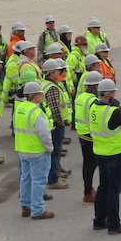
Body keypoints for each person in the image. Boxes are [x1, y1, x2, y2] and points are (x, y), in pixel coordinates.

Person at [88, 79, 121, 234]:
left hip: (100, 152)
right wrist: (117, 106)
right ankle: (114, 224)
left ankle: (99, 220)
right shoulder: (113, 111)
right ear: (110, 94)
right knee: (114, 190)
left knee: (103, 187)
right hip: (115, 153)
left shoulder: (93, 107)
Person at [14, 81, 55, 220]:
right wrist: (50, 148)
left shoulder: (20, 108)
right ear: (35, 96)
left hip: (22, 149)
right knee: (38, 180)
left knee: (25, 178)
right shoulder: (36, 111)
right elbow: (44, 133)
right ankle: (37, 210)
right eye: (40, 94)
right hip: (37, 151)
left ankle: (25, 206)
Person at [42, 59, 71, 189]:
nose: (59, 72)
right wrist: (61, 122)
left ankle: (55, 174)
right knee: (54, 151)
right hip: (55, 124)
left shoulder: (45, 84)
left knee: (54, 152)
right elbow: (55, 108)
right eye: (57, 71)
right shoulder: (52, 88)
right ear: (51, 72)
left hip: (50, 123)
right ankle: (53, 179)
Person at [75, 71, 103, 204]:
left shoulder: (81, 97)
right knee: (91, 165)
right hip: (90, 136)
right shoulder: (93, 100)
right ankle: (87, 193)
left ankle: (88, 189)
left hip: (82, 134)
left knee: (87, 164)